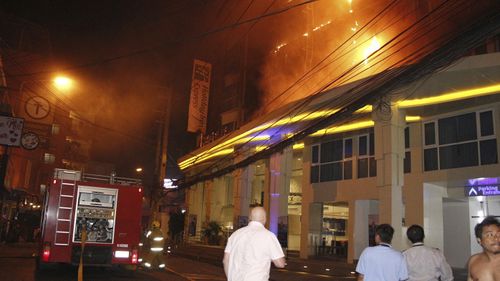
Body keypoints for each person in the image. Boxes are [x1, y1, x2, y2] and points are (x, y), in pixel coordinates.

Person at [223, 206, 286, 281]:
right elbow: (280, 264)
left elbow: (225, 260)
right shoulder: (268, 236)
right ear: (265, 219)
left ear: (250, 218)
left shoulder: (235, 235)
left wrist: (230, 278)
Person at [467, 216, 499, 281]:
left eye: (499, 234)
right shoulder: (473, 261)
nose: (496, 238)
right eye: (490, 235)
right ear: (479, 240)